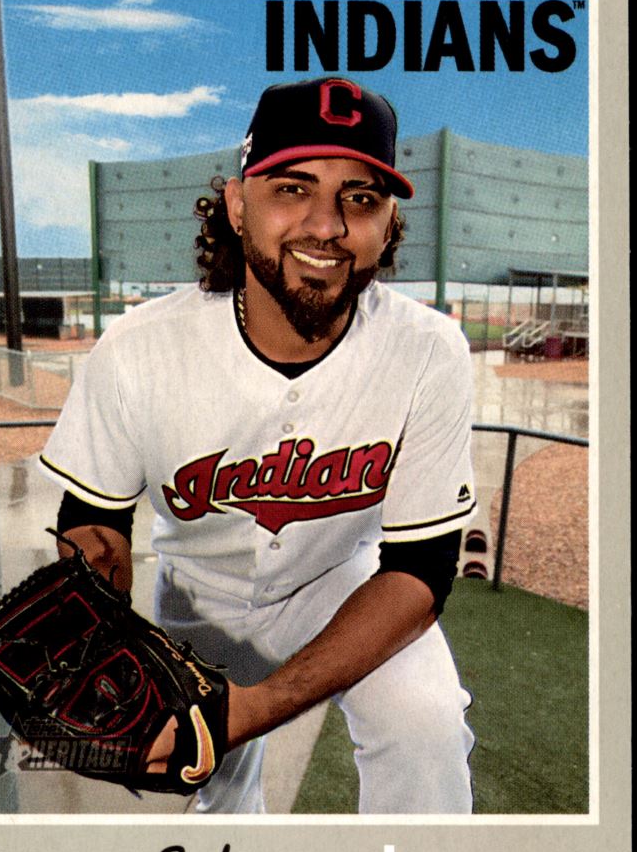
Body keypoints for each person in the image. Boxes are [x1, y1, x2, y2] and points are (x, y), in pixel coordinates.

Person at [39, 77, 478, 814]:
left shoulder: (429, 350)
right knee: (212, 804)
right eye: (293, 189)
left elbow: (422, 568)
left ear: (389, 221)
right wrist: (103, 639)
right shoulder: (141, 347)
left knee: (425, 725)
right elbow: (95, 520)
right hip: (195, 601)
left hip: (340, 584)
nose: (327, 225)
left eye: (361, 197)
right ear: (238, 205)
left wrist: (254, 707)